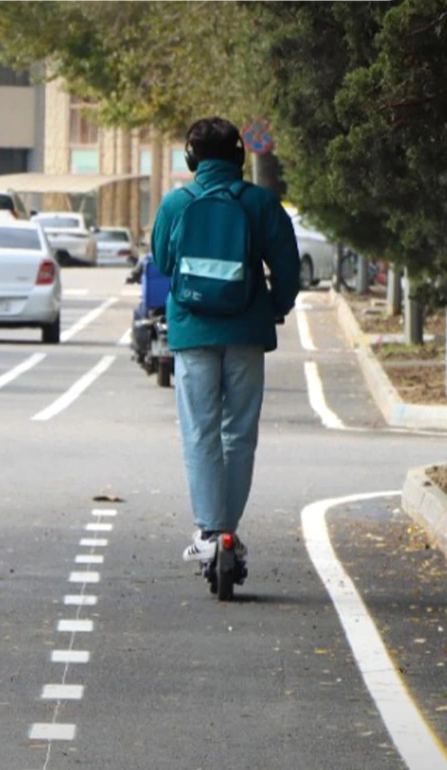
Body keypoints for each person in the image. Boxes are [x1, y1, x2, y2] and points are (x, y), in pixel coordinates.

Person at [150, 116, 300, 567]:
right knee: (239, 432)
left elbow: (162, 260)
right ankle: (227, 533)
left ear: (191, 159)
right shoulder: (261, 203)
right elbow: (288, 266)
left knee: (200, 432)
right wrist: (277, 304)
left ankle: (209, 532)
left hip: (192, 331)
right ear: (239, 156)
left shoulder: (176, 204)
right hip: (247, 330)